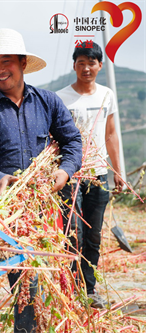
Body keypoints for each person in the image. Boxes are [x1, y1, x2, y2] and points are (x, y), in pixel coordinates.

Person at [0, 28, 82, 333]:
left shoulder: (48, 102)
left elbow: (73, 142)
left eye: (6, 62)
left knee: (28, 282)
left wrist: (64, 171)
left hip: (36, 211)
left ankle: (26, 329)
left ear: (23, 62)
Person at [56, 41, 125, 309]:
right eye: (81, 63)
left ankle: (89, 290)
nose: (86, 68)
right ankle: (72, 291)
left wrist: (118, 171)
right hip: (71, 176)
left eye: (91, 62)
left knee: (93, 236)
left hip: (98, 175)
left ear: (100, 65)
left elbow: (110, 134)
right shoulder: (60, 98)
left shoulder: (106, 96)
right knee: (73, 234)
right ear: (74, 66)